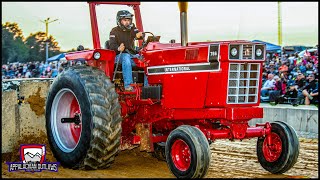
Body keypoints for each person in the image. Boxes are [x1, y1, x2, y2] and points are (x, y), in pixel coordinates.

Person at [109, 10, 148, 91]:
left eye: (128, 20)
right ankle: (128, 86)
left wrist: (140, 35)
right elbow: (112, 46)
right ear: (119, 21)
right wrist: (118, 48)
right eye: (125, 20)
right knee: (126, 57)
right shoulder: (114, 31)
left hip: (131, 55)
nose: (127, 22)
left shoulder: (132, 29)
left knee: (146, 60)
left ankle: (147, 87)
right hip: (118, 56)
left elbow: (140, 34)